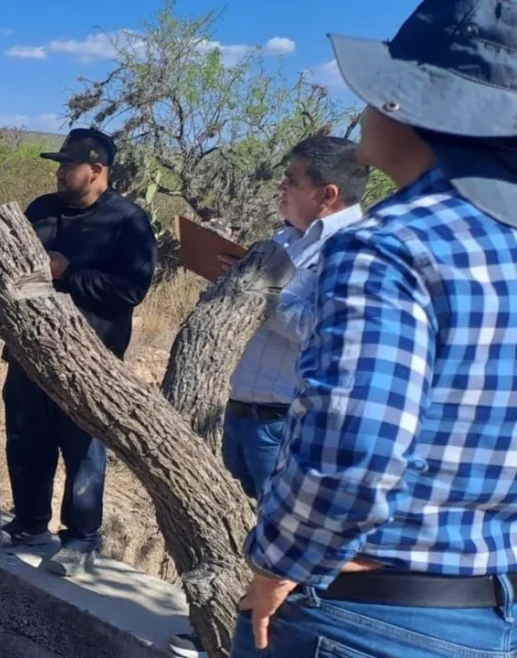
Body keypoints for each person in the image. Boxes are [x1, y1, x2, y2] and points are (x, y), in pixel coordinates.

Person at [235, 1, 517, 656]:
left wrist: (283, 562)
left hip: (360, 615)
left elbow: (357, 453)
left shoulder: (389, 244)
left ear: (416, 106)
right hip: (490, 612)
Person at [1, 127, 157, 577]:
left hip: (88, 361)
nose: (61, 173)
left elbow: (132, 290)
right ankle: (31, 523)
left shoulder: (128, 221)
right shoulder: (41, 210)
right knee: (26, 442)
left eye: (69, 165)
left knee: (82, 452)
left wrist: (69, 274)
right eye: (59, 165)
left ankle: (80, 540)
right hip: (30, 351)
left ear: (97, 170)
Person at [221, 136, 368, 499]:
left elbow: (322, 331)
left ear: (327, 195)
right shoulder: (284, 239)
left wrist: (257, 295)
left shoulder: (357, 248)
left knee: (283, 537)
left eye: (293, 181)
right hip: (242, 411)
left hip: (289, 424)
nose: (281, 188)